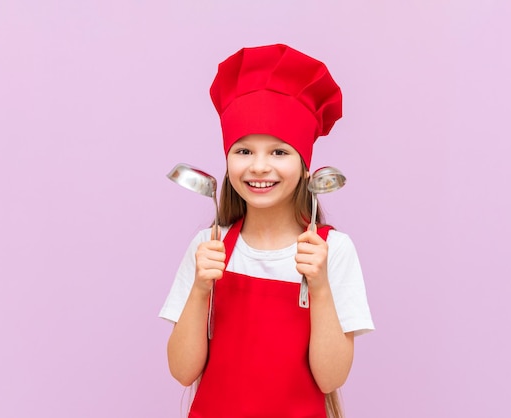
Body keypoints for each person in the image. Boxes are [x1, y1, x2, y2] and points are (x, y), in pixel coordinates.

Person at [160, 43, 374, 418]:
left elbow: (330, 378)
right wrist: (200, 288)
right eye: (244, 151)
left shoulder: (332, 250)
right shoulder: (209, 246)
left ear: (307, 165)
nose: (259, 166)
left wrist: (320, 286)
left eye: (279, 152)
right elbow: (182, 371)